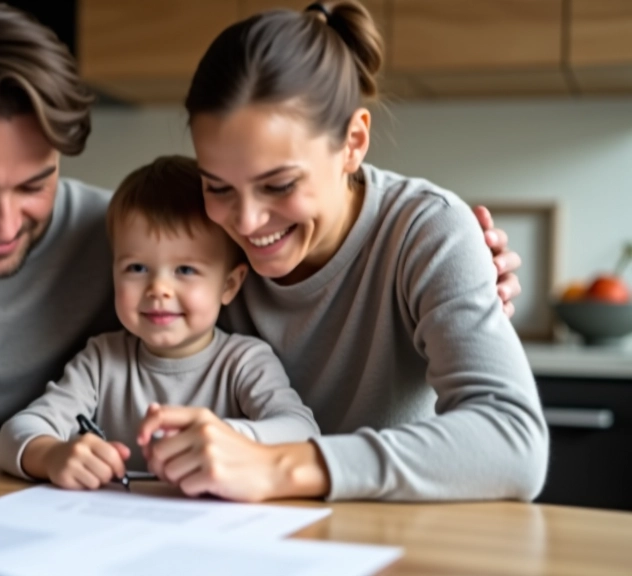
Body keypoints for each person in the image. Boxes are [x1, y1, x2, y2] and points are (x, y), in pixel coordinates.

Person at [0, 2, 522, 493]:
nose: (2, 220)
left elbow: (494, 431)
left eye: (33, 184)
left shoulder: (142, 239)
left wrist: (460, 289)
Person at [136, 1, 548, 503]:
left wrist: (278, 467)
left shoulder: (426, 230)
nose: (245, 222)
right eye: (218, 186)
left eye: (279, 184)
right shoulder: (197, 229)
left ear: (353, 141)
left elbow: (513, 441)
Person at [0, 156, 319, 489]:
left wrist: (230, 439)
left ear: (229, 285)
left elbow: (303, 431)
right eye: (136, 268)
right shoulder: (101, 361)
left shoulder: (244, 362)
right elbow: (14, 435)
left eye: (185, 270)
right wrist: (52, 456)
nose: (158, 290)